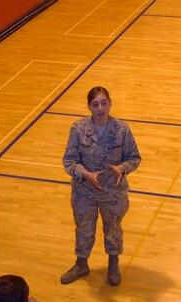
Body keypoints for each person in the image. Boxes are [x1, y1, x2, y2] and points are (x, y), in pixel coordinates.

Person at [61, 86, 141, 286]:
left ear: (110, 103)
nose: (100, 108)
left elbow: (134, 158)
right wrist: (86, 174)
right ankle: (81, 264)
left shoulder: (122, 130)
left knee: (113, 229)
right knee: (84, 229)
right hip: (84, 192)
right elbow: (69, 161)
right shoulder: (78, 129)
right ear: (89, 107)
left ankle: (113, 264)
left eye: (104, 102)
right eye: (95, 104)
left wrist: (122, 168)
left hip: (113, 193)